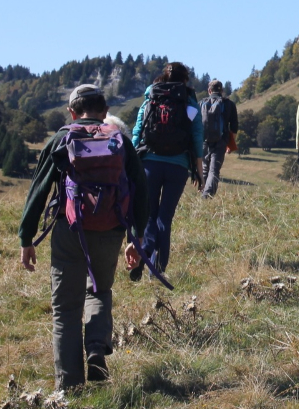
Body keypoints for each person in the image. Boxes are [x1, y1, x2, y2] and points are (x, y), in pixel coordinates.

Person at [18, 84, 147, 389]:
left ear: (72, 112)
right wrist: (135, 238)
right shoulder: (120, 141)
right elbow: (141, 192)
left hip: (69, 229)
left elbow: (38, 191)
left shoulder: (61, 139)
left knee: (65, 309)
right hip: (110, 229)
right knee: (100, 291)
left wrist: (27, 238)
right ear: (105, 113)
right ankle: (96, 349)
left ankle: (70, 386)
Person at [131, 62, 203, 280]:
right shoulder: (189, 104)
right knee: (165, 217)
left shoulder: (150, 99)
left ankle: (142, 254)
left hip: (149, 164)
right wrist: (198, 171)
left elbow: (137, 131)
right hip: (178, 166)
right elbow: (198, 139)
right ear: (185, 80)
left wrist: (132, 162)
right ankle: (158, 268)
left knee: (148, 215)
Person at [199, 80, 238, 197]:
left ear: (209, 90)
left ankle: (203, 194)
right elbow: (234, 126)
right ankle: (207, 196)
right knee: (214, 169)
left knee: (205, 168)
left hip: (203, 141)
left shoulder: (201, 103)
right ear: (222, 91)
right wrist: (230, 144)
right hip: (221, 140)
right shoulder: (229, 104)